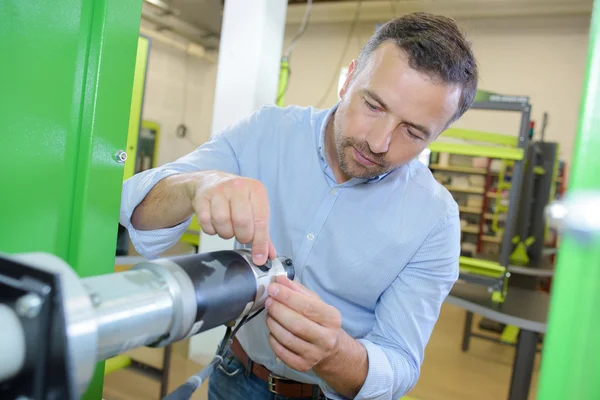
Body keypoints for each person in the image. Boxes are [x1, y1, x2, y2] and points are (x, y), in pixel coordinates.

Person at [120, 12, 478, 400]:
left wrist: (335, 354)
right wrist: (194, 185)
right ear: (349, 78)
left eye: (412, 132)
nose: (379, 142)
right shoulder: (265, 133)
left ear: (438, 134)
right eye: (374, 105)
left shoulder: (435, 220)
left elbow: (401, 363)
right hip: (234, 374)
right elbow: (134, 209)